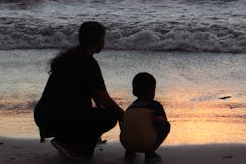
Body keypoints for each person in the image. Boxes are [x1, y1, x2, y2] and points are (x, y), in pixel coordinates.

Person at [34, 21, 124, 160]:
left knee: (88, 112)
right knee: (110, 117)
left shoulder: (67, 58)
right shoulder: (89, 63)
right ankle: (67, 144)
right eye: (103, 38)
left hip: (43, 116)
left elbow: (96, 98)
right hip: (60, 119)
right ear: (98, 40)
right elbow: (102, 98)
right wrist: (122, 115)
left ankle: (67, 141)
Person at [120, 72, 170, 162]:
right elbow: (162, 121)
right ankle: (150, 153)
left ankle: (130, 152)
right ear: (152, 90)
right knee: (166, 125)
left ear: (134, 91)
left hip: (126, 143)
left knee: (132, 122)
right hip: (146, 143)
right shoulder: (155, 105)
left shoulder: (130, 107)